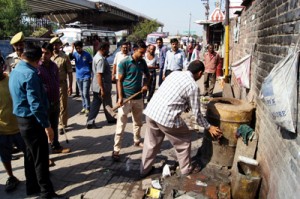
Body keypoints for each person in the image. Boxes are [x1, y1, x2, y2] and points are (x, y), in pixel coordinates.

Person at [140, 60, 223, 178]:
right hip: (166, 117)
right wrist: (209, 127)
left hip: (152, 112)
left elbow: (172, 94)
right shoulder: (193, 86)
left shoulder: (175, 73)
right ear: (200, 73)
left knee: (151, 143)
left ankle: (144, 170)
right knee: (184, 139)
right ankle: (186, 169)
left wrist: (184, 105)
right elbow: (198, 115)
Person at [9, 44, 60, 198]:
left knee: (30, 156)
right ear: (36, 59)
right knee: (41, 158)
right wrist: (47, 126)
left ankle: (32, 187)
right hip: (33, 121)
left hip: (22, 120)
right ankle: (46, 192)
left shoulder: (16, 70)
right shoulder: (30, 74)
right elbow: (35, 104)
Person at [112, 40, 150, 161]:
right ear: (134, 50)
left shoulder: (142, 62)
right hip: (126, 99)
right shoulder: (124, 63)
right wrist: (120, 97)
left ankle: (137, 140)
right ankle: (116, 150)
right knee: (121, 125)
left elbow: (148, 76)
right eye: (141, 52)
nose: (143, 55)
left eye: (144, 52)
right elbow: (119, 80)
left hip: (138, 98)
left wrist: (145, 85)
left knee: (138, 122)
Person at [39, 42, 70, 154]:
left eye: (47, 53)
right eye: (42, 53)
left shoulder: (54, 66)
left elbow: (56, 82)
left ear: (51, 54)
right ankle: (45, 154)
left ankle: (55, 146)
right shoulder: (37, 67)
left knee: (54, 125)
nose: (44, 55)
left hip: (55, 101)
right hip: (44, 104)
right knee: (44, 129)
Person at [0, 61, 26, 192]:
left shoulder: (11, 80)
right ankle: (11, 176)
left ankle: (32, 174)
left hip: (19, 127)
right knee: (5, 156)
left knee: (28, 152)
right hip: (2, 131)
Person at [86, 42, 117, 129]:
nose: (108, 51)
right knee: (98, 104)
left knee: (106, 102)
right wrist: (102, 89)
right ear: (103, 49)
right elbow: (99, 74)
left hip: (99, 86)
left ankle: (110, 118)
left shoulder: (97, 56)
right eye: (107, 49)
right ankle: (90, 121)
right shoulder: (100, 59)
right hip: (102, 86)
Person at [50, 37, 73, 135]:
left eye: (57, 44)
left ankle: (62, 124)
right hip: (51, 85)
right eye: (54, 45)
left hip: (62, 84)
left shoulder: (64, 57)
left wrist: (70, 86)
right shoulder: (48, 56)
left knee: (63, 105)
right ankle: (54, 123)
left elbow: (70, 73)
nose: (55, 46)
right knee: (52, 105)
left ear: (60, 45)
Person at [70, 41, 93, 116]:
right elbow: (69, 57)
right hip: (78, 76)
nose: (78, 50)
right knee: (82, 93)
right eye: (77, 49)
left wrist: (91, 75)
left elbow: (91, 65)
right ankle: (84, 106)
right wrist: (72, 48)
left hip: (86, 76)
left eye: (79, 48)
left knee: (85, 93)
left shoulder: (87, 55)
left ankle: (88, 108)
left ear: (82, 47)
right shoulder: (75, 54)